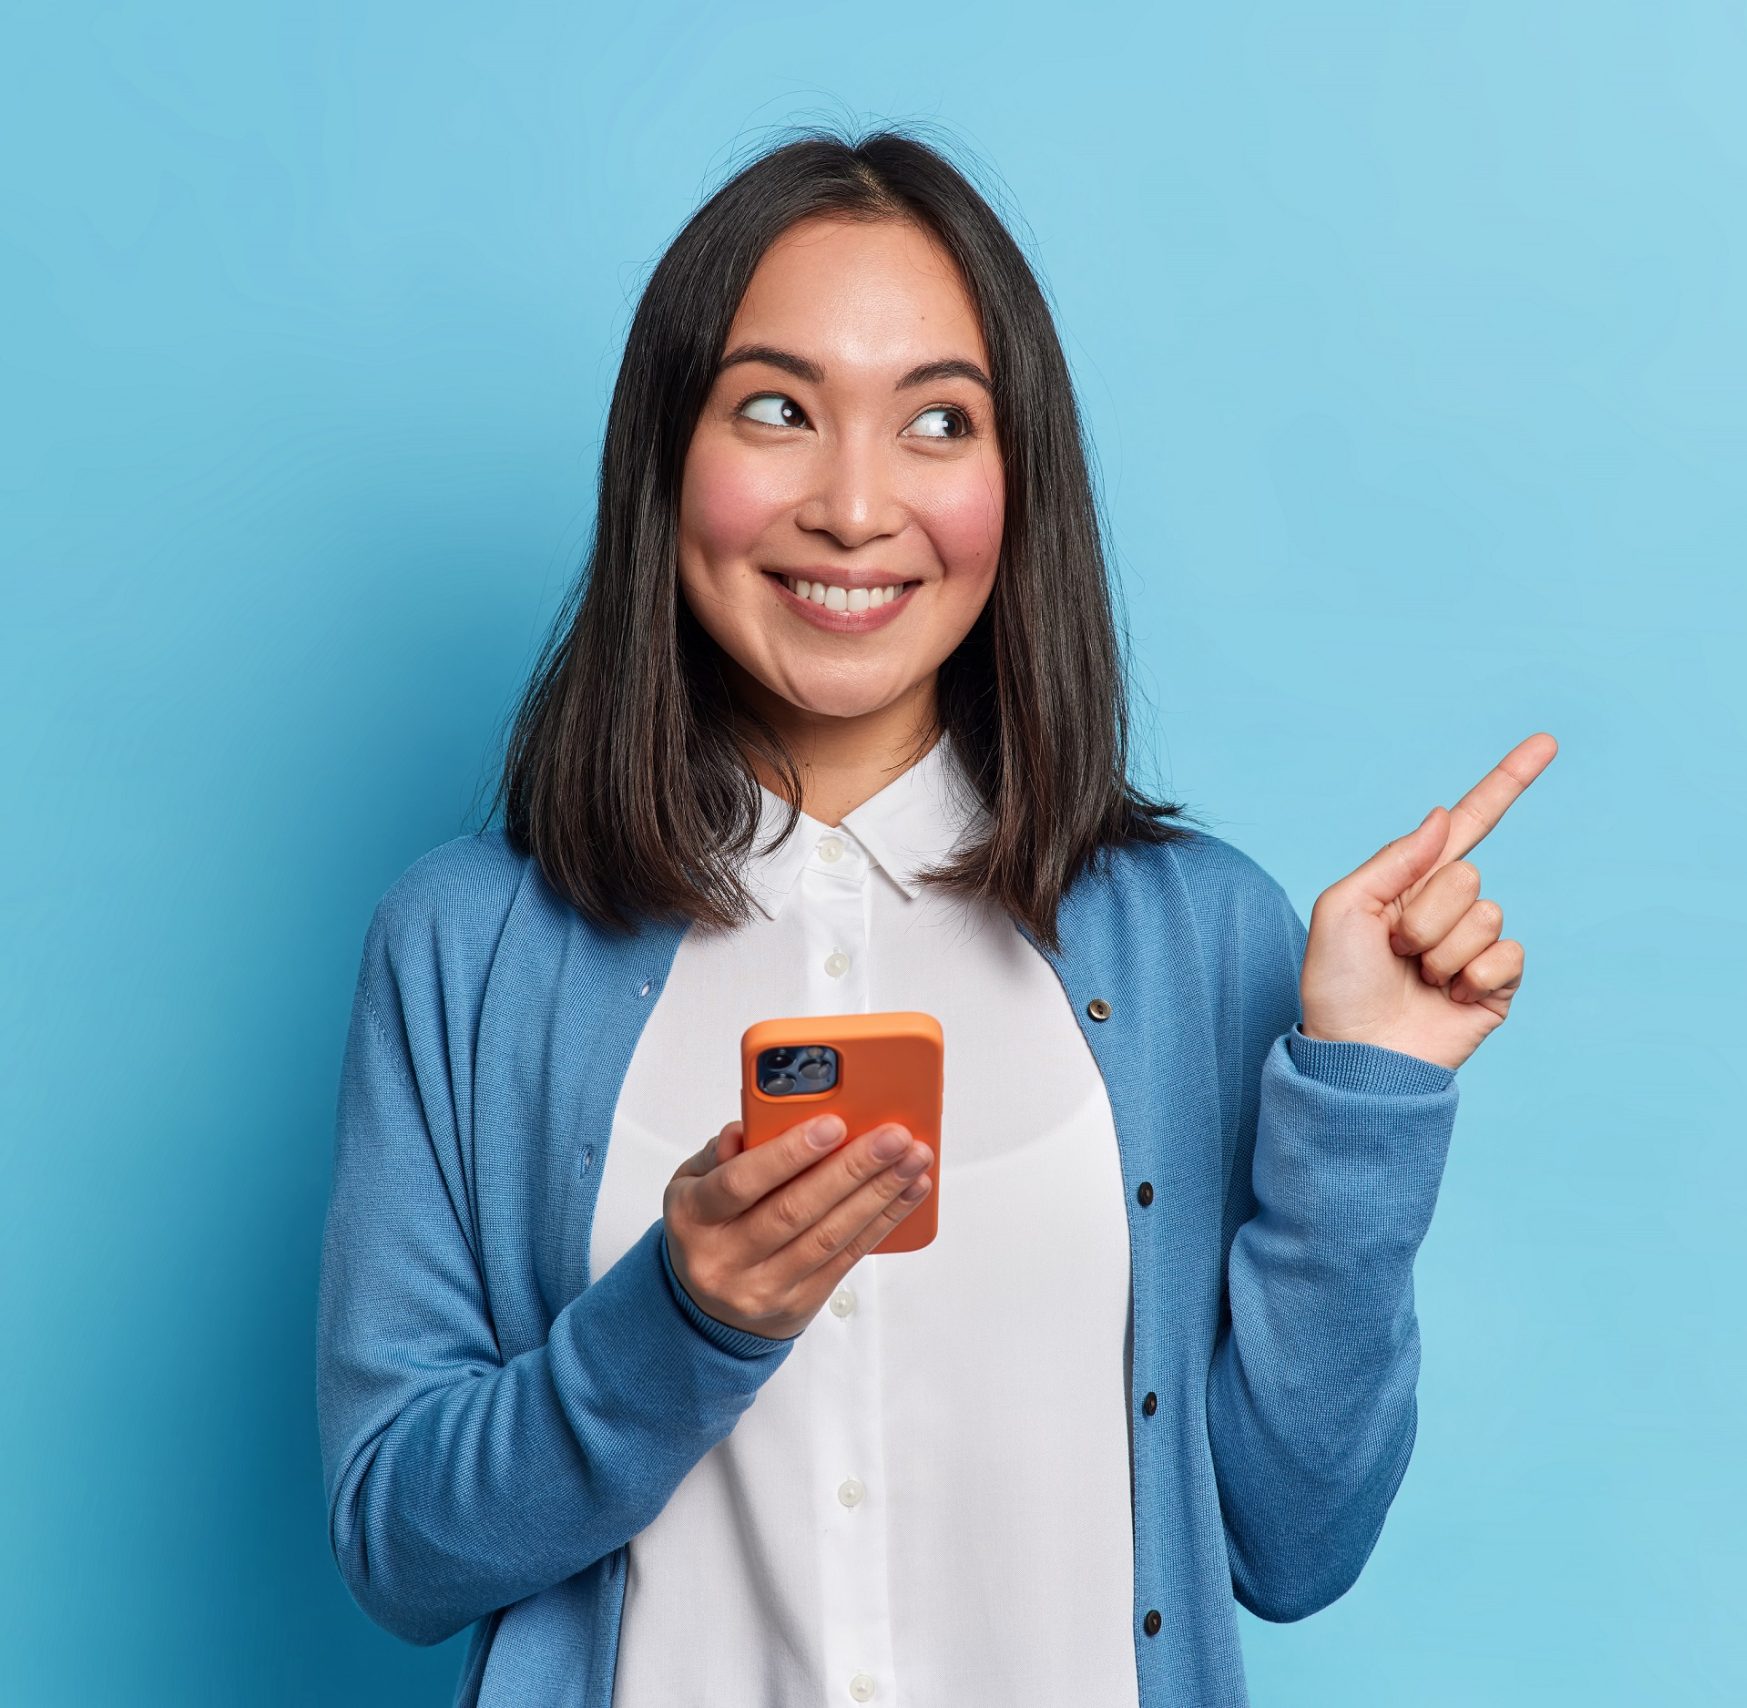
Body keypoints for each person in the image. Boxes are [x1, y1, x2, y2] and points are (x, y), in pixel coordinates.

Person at [314, 124, 1551, 1708]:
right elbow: (396, 1545)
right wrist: (677, 1322)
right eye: (776, 408)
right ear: (664, 455)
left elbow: (1291, 1545)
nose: (852, 505)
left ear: (1014, 481)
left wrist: (1372, 1094)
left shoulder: (1203, 945)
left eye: (937, 423)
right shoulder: (468, 946)